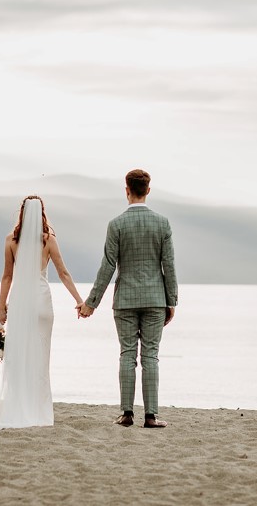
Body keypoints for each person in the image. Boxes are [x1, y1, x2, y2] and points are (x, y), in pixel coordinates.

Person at [80, 169, 177, 428]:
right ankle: (151, 416)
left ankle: (126, 414)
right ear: (148, 190)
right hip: (156, 298)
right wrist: (172, 301)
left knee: (126, 355)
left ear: (127, 190)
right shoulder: (163, 223)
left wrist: (92, 302)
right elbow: (169, 265)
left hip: (125, 300)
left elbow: (108, 265)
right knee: (151, 357)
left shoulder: (116, 224)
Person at [0, 195, 84, 428]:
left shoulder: (11, 240)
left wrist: (1, 306)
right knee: (41, 357)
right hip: (41, 302)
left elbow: (7, 276)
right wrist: (79, 300)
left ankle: (19, 406)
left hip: (20, 301)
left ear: (21, 213)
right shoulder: (48, 240)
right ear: (42, 213)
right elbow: (64, 273)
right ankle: (38, 410)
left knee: (19, 356)